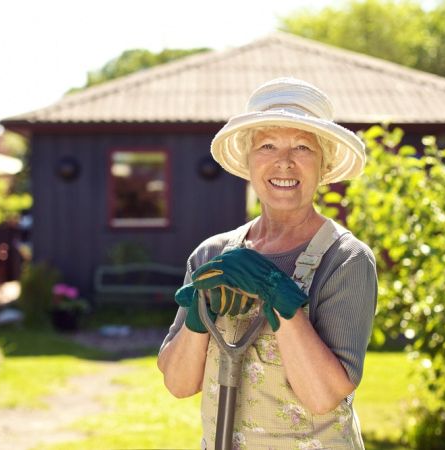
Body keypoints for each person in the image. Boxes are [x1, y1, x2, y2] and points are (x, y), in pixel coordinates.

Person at [157, 77, 378, 450]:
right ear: (249, 160)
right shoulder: (211, 256)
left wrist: (279, 294)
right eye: (268, 145)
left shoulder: (345, 260)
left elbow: (324, 396)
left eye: (303, 147)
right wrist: (198, 316)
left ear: (323, 167)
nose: (285, 162)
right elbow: (178, 384)